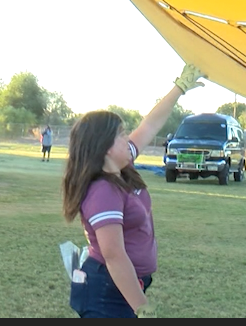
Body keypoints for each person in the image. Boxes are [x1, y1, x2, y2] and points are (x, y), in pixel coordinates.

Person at [61, 63, 205, 319]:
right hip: (107, 293)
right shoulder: (102, 191)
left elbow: (149, 125)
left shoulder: (122, 167)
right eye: (121, 134)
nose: (129, 139)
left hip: (122, 287)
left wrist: (179, 88)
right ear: (104, 147)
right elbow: (114, 256)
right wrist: (143, 308)